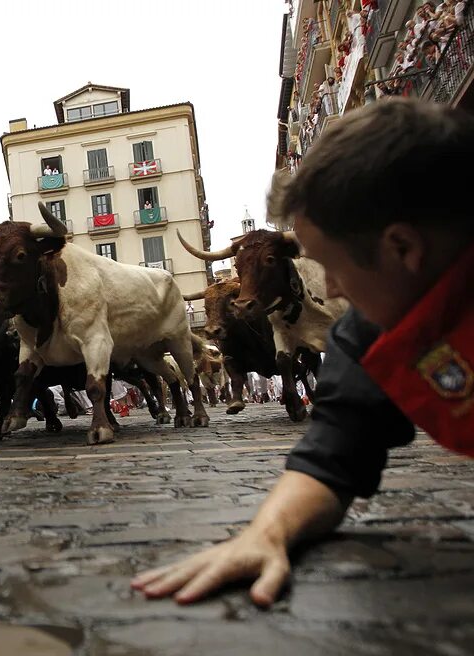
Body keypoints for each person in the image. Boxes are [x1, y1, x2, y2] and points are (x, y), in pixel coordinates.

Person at [132, 98, 474, 608]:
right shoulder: (372, 327)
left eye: (331, 266)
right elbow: (335, 450)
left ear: (402, 248)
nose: (331, 287)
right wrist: (266, 532)